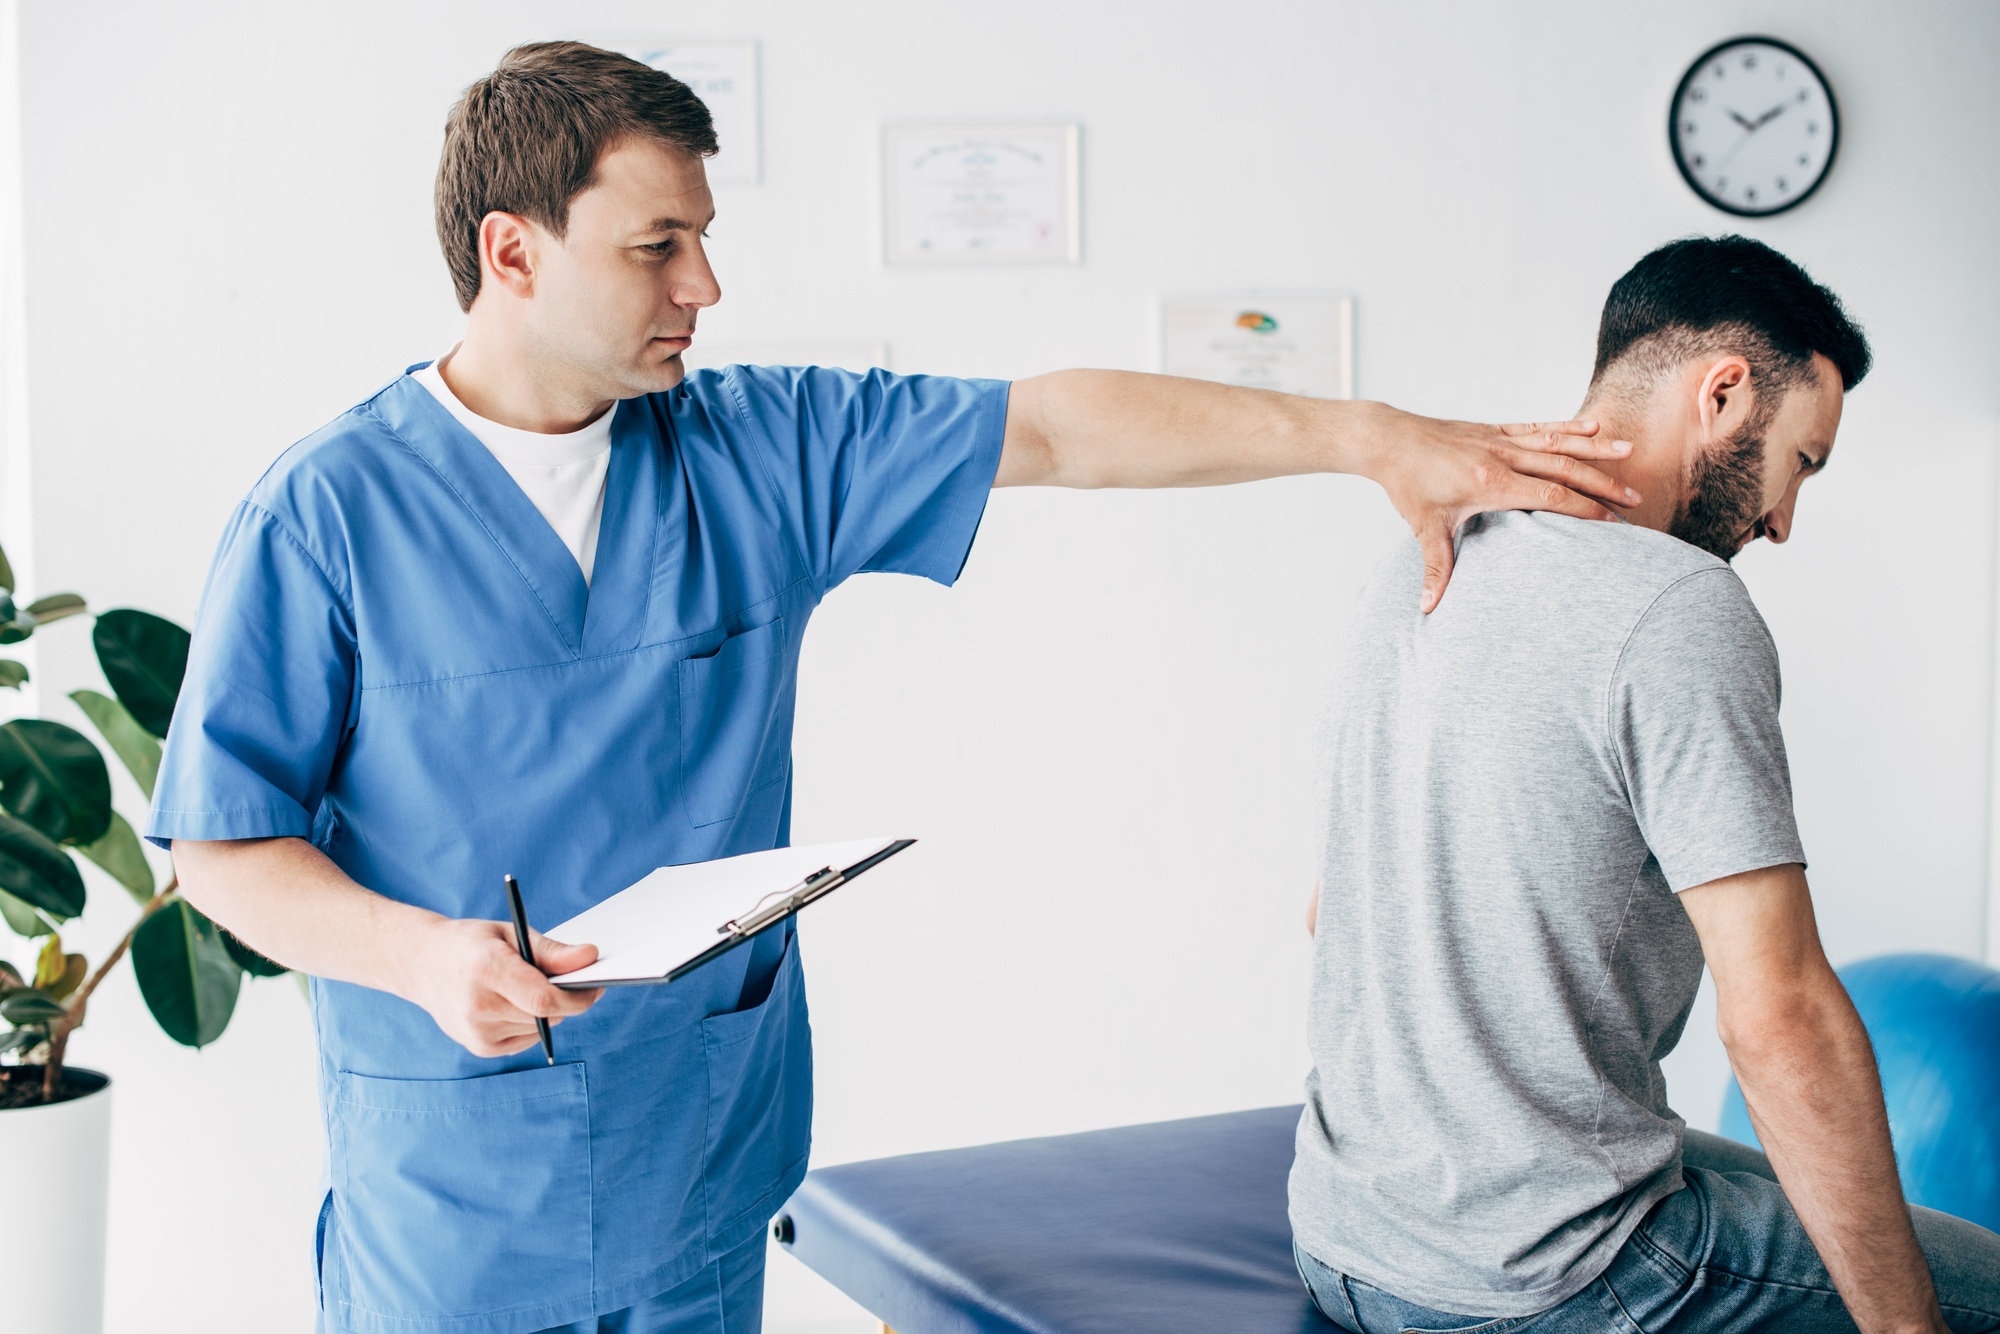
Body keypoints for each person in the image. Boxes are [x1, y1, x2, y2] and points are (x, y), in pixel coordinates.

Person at [147, 42, 1638, 1334]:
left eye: (706, 239)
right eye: (658, 246)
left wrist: (1371, 435)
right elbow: (221, 844)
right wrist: (416, 956)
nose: (706, 286)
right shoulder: (328, 513)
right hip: (456, 1203)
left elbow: (1052, 430)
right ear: (514, 250)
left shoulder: (755, 449)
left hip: (696, 1161)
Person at [1292, 235, 2000, 1334]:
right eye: (1799, 462)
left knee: (1838, 1201)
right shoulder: (1676, 604)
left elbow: (1327, 905)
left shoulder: (1430, 547)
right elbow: (1778, 1021)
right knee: (1974, 1285)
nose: (1780, 520)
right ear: (1722, 392)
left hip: (1346, 1236)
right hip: (1535, 1279)